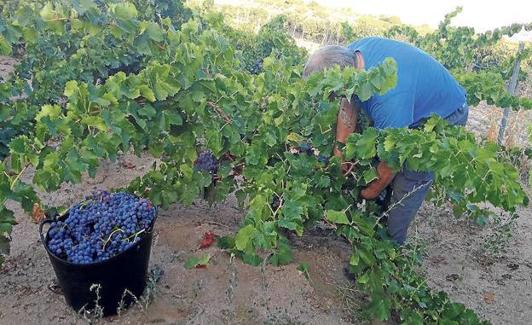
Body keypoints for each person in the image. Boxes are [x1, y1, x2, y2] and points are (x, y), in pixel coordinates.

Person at [303, 37, 469, 245]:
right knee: (376, 156)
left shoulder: (389, 101)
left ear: (342, 80)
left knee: (407, 180)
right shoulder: (351, 57)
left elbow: (392, 160)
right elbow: (348, 106)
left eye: (330, 94)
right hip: (408, 106)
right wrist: (340, 157)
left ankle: (390, 248)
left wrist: (368, 191)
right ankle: (375, 220)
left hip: (445, 115)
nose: (329, 99)